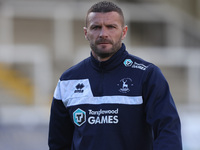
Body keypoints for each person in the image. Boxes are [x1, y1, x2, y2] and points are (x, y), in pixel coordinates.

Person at [48, 1, 182, 150]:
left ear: (124, 32)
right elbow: (58, 143)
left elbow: (168, 131)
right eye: (96, 27)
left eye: (111, 27)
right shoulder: (68, 80)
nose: (103, 34)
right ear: (86, 33)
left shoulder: (147, 75)